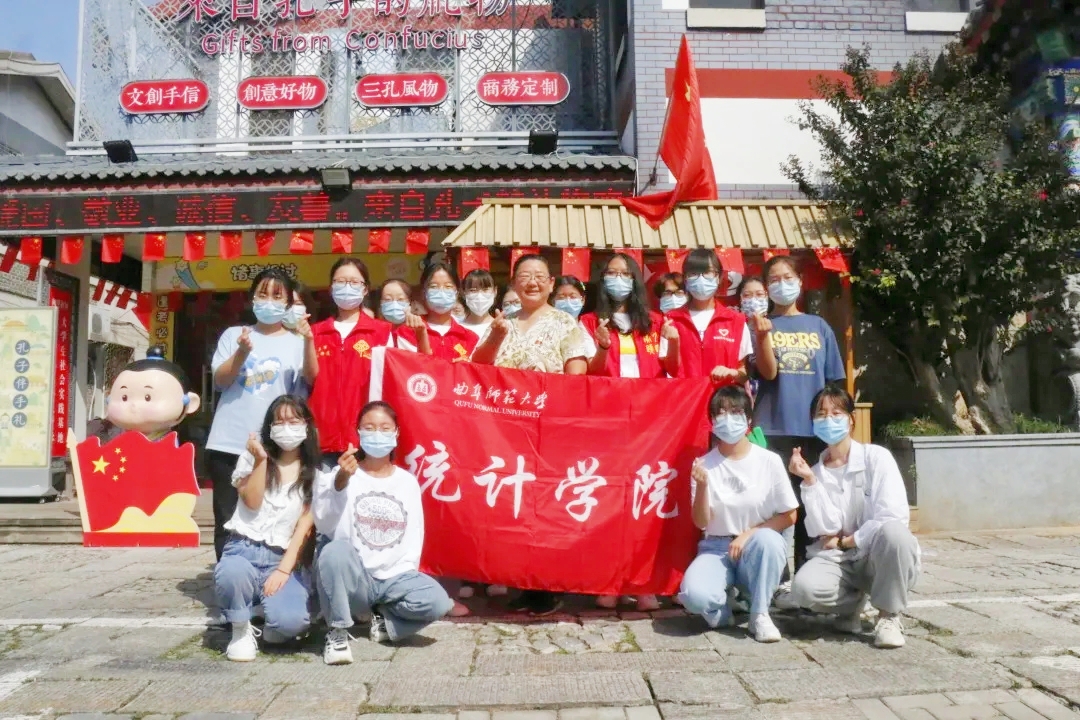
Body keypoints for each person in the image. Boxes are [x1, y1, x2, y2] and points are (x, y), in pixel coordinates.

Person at [471, 254, 589, 615]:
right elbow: (476, 369)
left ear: (551, 283)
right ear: (513, 284)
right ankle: (520, 581)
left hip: (549, 430)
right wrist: (495, 337)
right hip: (505, 433)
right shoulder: (502, 322)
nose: (532, 282)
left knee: (547, 508)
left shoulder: (566, 324)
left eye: (539, 276)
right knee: (514, 507)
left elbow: (576, 375)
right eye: (524, 276)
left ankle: (548, 585)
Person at [315, 401, 453, 664]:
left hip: (393, 580)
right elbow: (324, 522)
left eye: (384, 428)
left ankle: (384, 624)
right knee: (333, 551)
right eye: (369, 428)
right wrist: (340, 481)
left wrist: (404, 576)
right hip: (357, 578)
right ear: (358, 432)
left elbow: (414, 535)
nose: (376, 434)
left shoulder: (407, 482)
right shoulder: (342, 474)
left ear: (396, 432)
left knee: (438, 602)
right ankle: (338, 630)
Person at [788, 387, 919, 649]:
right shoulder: (816, 472)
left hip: (876, 556)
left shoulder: (876, 458)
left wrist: (848, 540)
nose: (829, 420)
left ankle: (889, 616)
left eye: (836, 413)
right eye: (821, 414)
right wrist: (810, 481)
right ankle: (856, 605)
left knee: (895, 534)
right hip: (840, 561)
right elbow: (825, 528)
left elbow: (892, 515)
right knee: (803, 590)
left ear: (851, 419)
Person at [207, 268, 313, 561]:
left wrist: (309, 341)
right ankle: (228, 578)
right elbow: (221, 381)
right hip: (229, 442)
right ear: (252, 298)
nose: (269, 301)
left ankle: (269, 574)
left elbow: (306, 387)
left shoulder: (297, 343)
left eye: (277, 296)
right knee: (227, 518)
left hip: (275, 447)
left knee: (268, 517)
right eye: (262, 294)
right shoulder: (234, 335)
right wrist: (241, 352)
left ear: (288, 303)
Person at [679, 385, 798, 643]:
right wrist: (702, 487)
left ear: (748, 419)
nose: (728, 419)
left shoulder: (769, 461)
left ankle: (760, 614)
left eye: (735, 412)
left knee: (767, 541)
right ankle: (725, 609)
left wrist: (749, 534)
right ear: (712, 422)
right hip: (716, 548)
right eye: (720, 413)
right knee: (692, 596)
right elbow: (701, 521)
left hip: (755, 547)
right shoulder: (704, 464)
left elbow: (790, 515)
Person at [753, 255, 845, 572]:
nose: (782, 284)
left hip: (814, 431)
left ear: (800, 282)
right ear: (766, 287)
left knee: (810, 504)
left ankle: (807, 575)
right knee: (776, 508)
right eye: (774, 279)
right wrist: (762, 336)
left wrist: (837, 425)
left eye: (788, 277)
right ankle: (776, 577)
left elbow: (835, 383)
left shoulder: (819, 326)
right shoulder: (760, 326)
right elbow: (765, 373)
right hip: (773, 429)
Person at [214, 395, 317, 661]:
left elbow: (303, 529)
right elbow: (252, 501)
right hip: (243, 548)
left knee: (292, 623)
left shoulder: (315, 473)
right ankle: (240, 629)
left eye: (293, 421)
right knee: (232, 573)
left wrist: (283, 570)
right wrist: (260, 460)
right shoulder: (252, 458)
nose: (286, 428)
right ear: (269, 428)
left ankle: (260, 613)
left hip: (280, 558)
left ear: (307, 426)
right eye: (279, 422)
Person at [308, 259, 394, 470]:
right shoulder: (316, 332)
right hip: (323, 439)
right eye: (340, 281)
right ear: (331, 288)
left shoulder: (382, 332)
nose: (347, 287)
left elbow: (389, 384)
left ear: (365, 289)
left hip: (366, 439)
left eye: (354, 282)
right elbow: (309, 379)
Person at [580, 253, 679, 380]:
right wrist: (603, 347)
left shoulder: (656, 321)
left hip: (650, 391)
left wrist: (674, 342)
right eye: (611, 273)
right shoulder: (589, 322)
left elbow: (673, 370)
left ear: (634, 280)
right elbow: (593, 372)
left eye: (626, 273)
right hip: (610, 391)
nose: (618, 278)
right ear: (603, 279)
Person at [666, 249, 752, 385]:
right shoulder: (671, 320)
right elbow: (669, 371)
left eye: (708, 272)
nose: (701, 279)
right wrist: (673, 342)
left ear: (719, 277)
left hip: (723, 397)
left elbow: (744, 372)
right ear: (685, 279)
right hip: (686, 396)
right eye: (693, 274)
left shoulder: (736, 320)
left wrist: (732, 373)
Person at [395, 262, 478, 362]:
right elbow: (409, 367)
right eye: (433, 287)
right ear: (424, 292)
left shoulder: (469, 337)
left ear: (457, 292)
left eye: (448, 286)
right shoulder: (406, 332)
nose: (441, 292)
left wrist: (464, 367)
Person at [461, 269, 497, 338]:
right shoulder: (456, 330)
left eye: (485, 289)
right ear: (463, 293)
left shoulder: (501, 328)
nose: (479, 295)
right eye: (473, 290)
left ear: (495, 291)